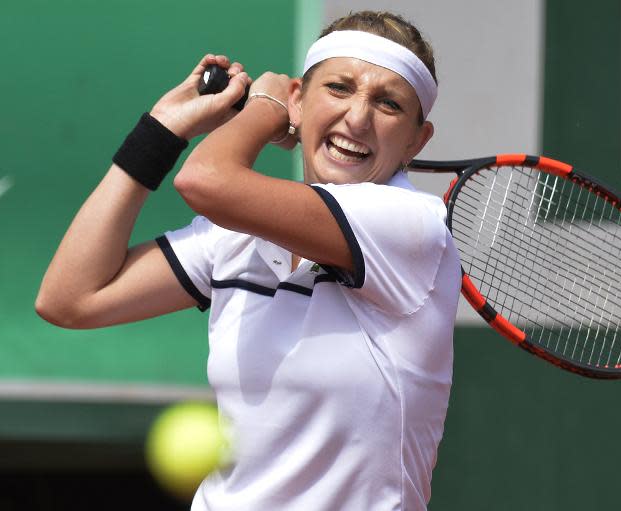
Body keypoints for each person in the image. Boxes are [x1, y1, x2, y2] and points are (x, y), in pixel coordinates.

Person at [36, 10, 461, 511]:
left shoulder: (413, 224)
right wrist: (160, 131)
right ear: (301, 100)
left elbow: (205, 181)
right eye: (340, 88)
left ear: (417, 140)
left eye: (388, 103)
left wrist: (264, 107)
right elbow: (71, 298)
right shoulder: (233, 236)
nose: (358, 117)